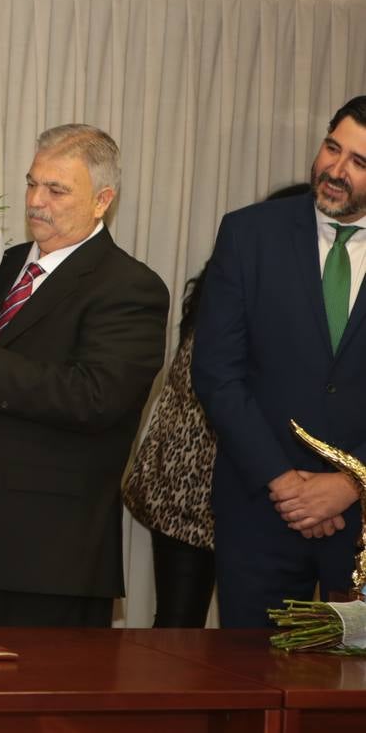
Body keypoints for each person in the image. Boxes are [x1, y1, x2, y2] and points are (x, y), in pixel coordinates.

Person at [0, 123, 169, 627]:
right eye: (31, 183)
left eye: (56, 189)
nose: (35, 201)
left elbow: (94, 398)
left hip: (50, 557)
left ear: (102, 200)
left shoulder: (130, 287)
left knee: (43, 708)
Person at [192, 95, 366, 628]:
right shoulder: (249, 233)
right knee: (250, 687)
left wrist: (350, 482)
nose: (335, 170)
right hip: (260, 509)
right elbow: (218, 373)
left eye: (359, 163)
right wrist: (284, 483)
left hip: (361, 520)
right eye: (332, 147)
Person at [123, 183, 310, 629]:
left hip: (242, 490)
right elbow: (214, 393)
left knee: (217, 631)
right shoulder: (238, 296)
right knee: (182, 630)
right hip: (191, 491)